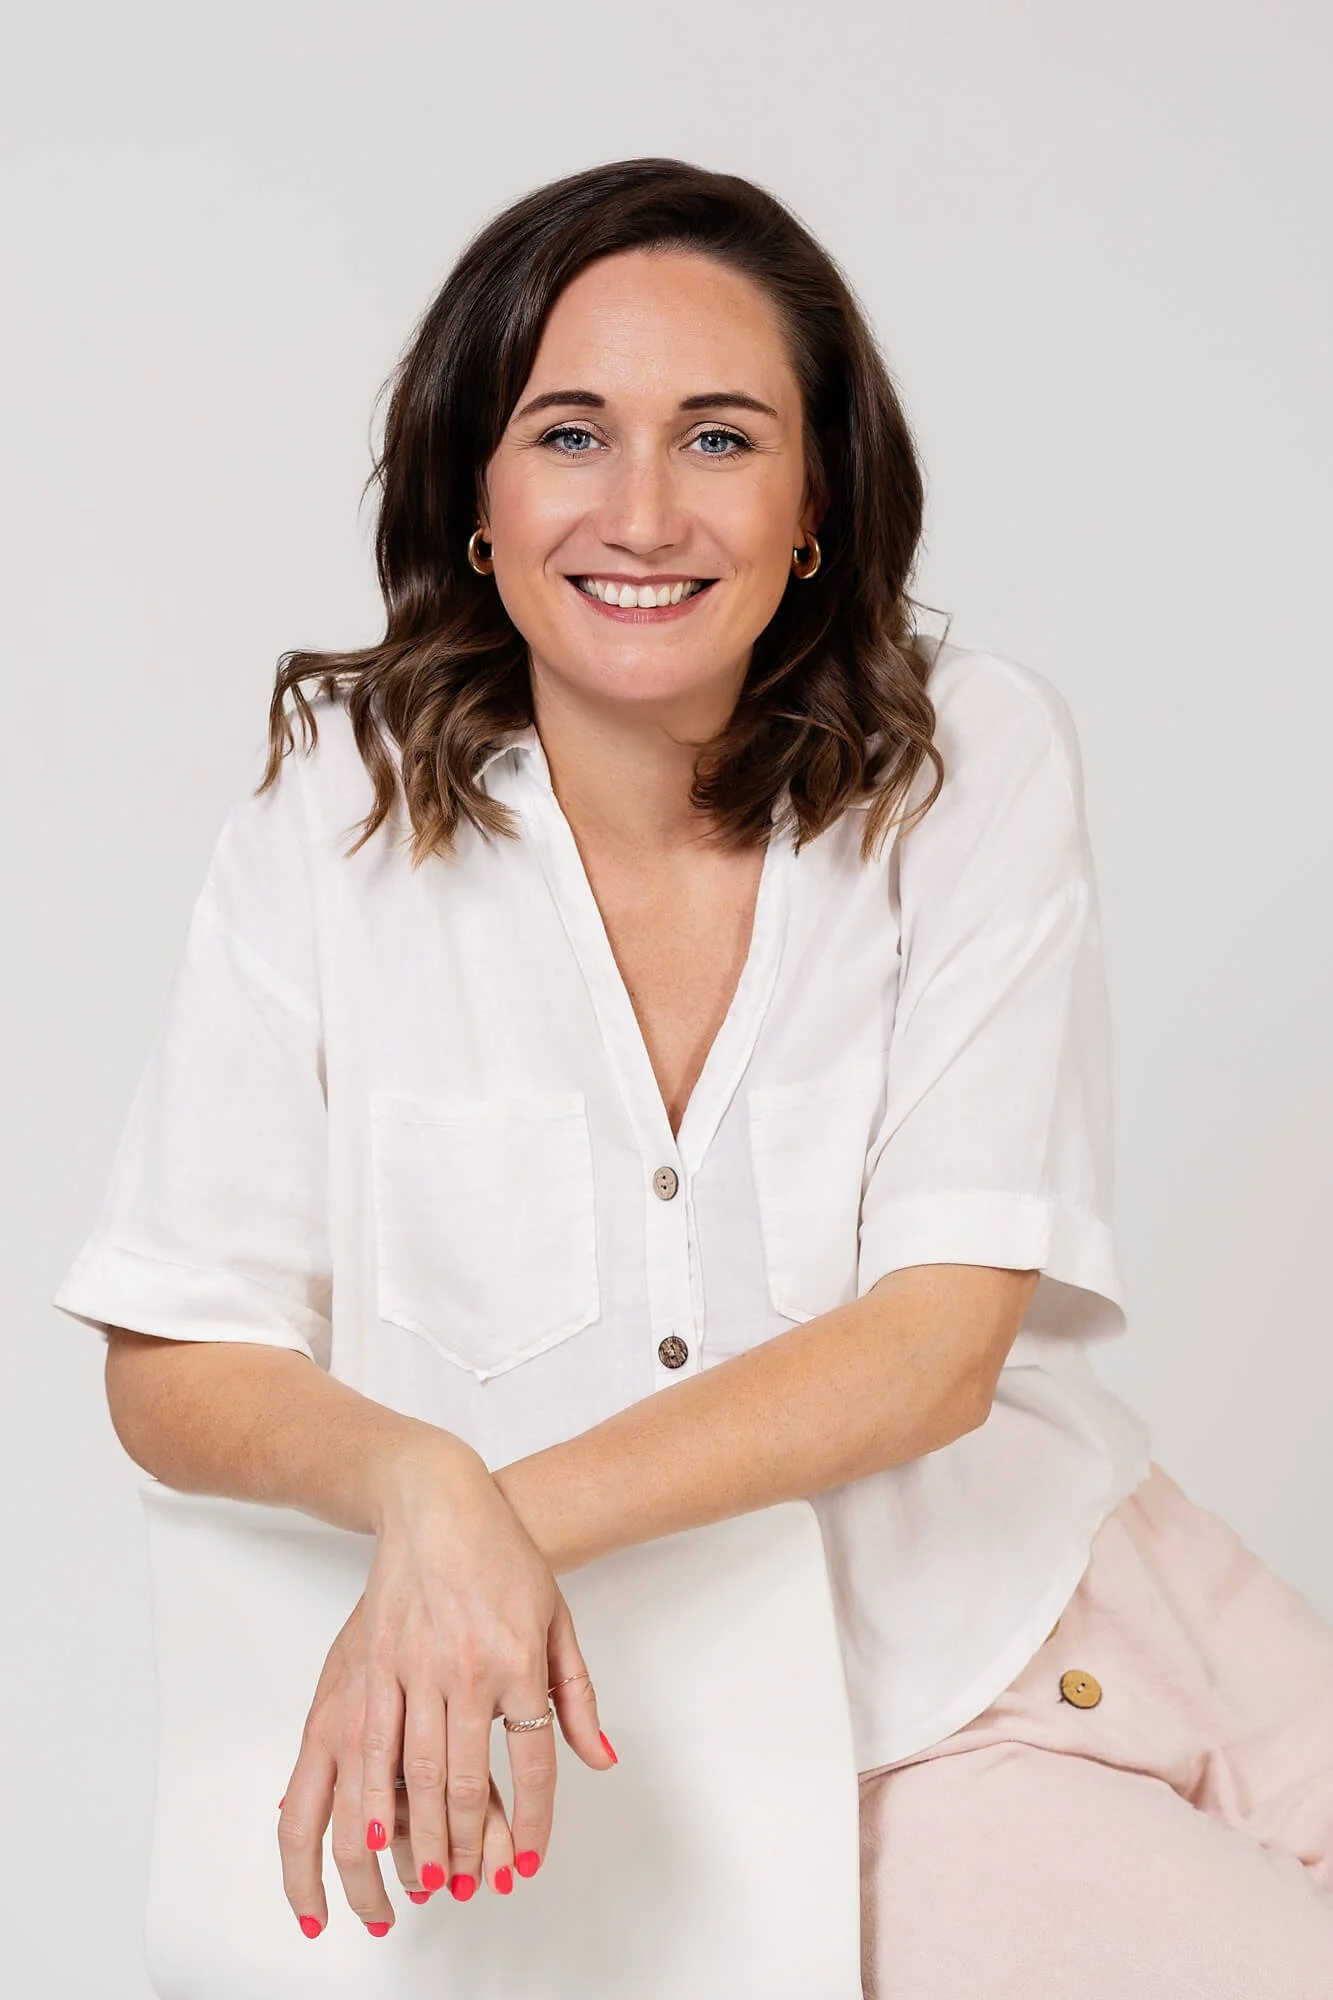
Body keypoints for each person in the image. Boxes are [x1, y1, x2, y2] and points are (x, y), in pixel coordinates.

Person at [52, 158, 1333, 1994]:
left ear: (816, 504)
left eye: (720, 439)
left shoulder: (969, 759)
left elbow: (938, 1341)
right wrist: (422, 1487)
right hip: (856, 1742)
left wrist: (489, 1526)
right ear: (472, 499)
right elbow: (174, 1347)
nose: (642, 511)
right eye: (570, 433)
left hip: (1105, 1567)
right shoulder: (333, 813)